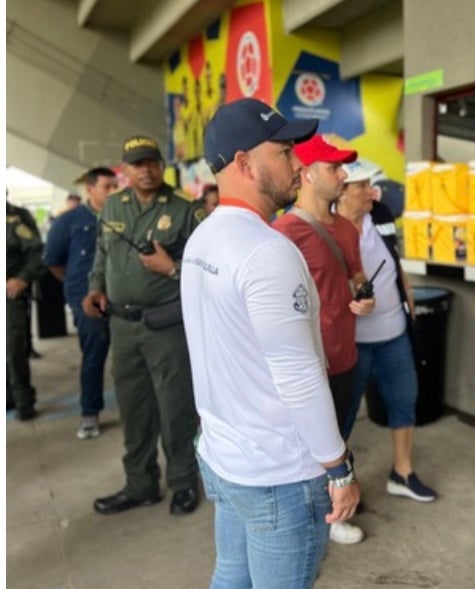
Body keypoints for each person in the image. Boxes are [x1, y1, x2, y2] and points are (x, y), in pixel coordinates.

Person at [185, 97, 359, 588]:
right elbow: (298, 374)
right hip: (278, 471)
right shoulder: (266, 251)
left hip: (225, 456)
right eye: (283, 152)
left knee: (231, 575)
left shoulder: (203, 239)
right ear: (244, 163)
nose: (298, 162)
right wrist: (338, 467)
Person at [82, 136, 203, 517]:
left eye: (152, 162)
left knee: (175, 408)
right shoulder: (113, 205)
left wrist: (172, 268)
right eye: (137, 164)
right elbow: (102, 256)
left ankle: (184, 482)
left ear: (162, 164)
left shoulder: (187, 210)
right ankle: (140, 484)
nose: (146, 170)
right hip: (122, 325)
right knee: (134, 409)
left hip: (167, 326)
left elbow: (206, 270)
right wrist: (95, 288)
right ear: (125, 170)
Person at [272, 134, 375, 545]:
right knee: (309, 447)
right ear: (309, 173)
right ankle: (318, 518)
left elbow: (357, 277)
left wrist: (364, 297)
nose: (344, 175)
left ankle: (332, 507)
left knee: (340, 438)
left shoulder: (346, 229)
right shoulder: (282, 233)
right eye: (335, 167)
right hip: (308, 365)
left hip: (346, 355)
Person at [336, 159, 437, 503]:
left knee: (404, 402)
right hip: (354, 342)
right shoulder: (330, 228)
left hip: (394, 333)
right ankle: (341, 486)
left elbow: (396, 266)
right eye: (361, 186)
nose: (370, 191)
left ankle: (403, 473)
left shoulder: (380, 216)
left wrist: (410, 307)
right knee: (343, 418)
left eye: (370, 184)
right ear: (342, 192)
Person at [44, 167, 119, 439]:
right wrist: (78, 291)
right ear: (90, 189)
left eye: (115, 186)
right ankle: (90, 413)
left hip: (121, 297)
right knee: (94, 356)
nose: (113, 192)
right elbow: (53, 261)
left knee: (127, 358)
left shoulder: (123, 215)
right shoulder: (69, 221)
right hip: (86, 300)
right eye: (106, 187)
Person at [7, 200, 46, 420]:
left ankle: (23, 399)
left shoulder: (16, 219)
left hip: (9, 296)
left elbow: (37, 253)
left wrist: (22, 279)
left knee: (14, 349)